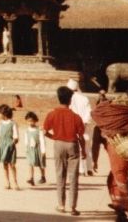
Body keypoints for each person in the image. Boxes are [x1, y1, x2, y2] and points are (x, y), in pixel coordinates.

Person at [91, 80, 128, 221]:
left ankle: (127, 212)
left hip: (120, 153)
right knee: (113, 178)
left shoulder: (102, 126)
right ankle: (119, 205)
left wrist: (94, 162)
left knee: (119, 178)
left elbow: (95, 146)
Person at [43, 85, 86, 216]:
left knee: (60, 174)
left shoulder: (52, 114)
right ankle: (72, 207)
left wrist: (55, 137)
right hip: (72, 144)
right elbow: (81, 137)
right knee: (73, 177)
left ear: (58, 98)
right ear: (70, 100)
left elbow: (44, 131)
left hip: (58, 144)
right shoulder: (76, 117)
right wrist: (83, 150)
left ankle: (61, 205)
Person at [67, 79, 94, 176]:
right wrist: (85, 123)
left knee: (78, 148)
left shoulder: (70, 99)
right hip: (85, 125)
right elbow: (89, 112)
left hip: (75, 126)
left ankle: (81, 170)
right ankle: (89, 168)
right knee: (87, 146)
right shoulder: (84, 98)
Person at [0, 104, 19, 190]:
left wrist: (13, 143)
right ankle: (7, 182)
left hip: (10, 145)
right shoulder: (0, 123)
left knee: (12, 164)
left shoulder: (13, 123)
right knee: (5, 164)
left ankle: (15, 182)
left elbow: (16, 136)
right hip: (2, 145)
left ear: (4, 114)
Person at [24, 111, 47, 186]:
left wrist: (43, 151)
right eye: (28, 121)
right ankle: (31, 178)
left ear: (35, 121)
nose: (30, 123)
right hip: (31, 149)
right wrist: (26, 148)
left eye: (32, 121)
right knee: (30, 163)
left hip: (38, 149)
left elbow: (42, 140)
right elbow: (26, 140)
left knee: (40, 164)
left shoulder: (38, 130)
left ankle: (43, 177)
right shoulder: (27, 131)